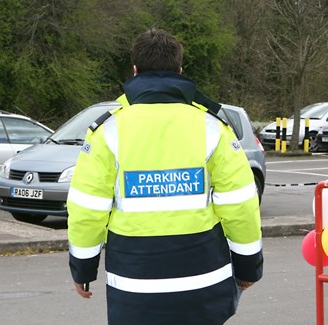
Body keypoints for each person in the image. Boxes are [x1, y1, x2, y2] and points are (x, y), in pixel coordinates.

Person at [67, 28, 263, 324]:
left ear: (134, 71)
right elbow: (240, 204)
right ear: (180, 69)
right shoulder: (213, 127)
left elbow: (87, 209)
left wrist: (83, 269)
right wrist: (248, 267)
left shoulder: (107, 131)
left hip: (133, 282)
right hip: (204, 280)